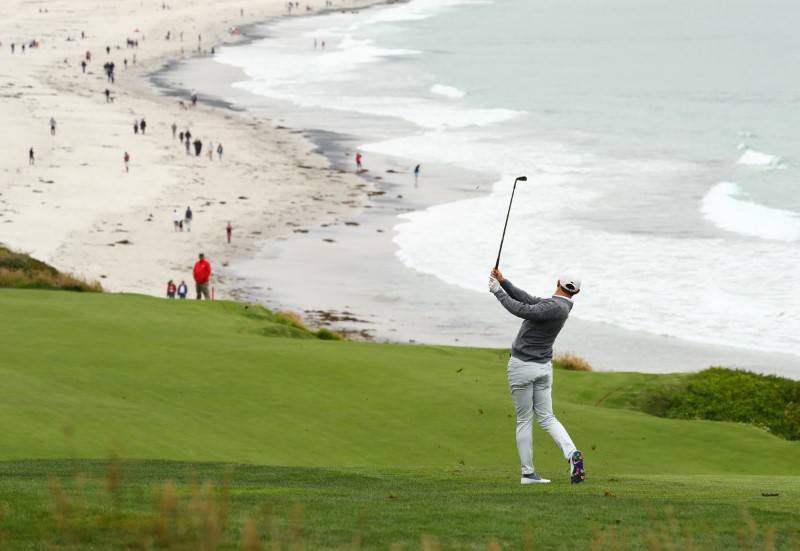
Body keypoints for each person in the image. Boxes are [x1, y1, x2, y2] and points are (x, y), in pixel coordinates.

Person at [488, 268, 585, 485]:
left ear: (558, 282)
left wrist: (498, 293)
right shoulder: (561, 306)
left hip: (523, 366)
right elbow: (529, 300)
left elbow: (523, 309)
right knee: (547, 417)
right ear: (576, 292)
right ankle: (572, 454)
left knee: (524, 419)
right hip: (542, 369)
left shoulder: (553, 307)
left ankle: (528, 473)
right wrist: (504, 282)